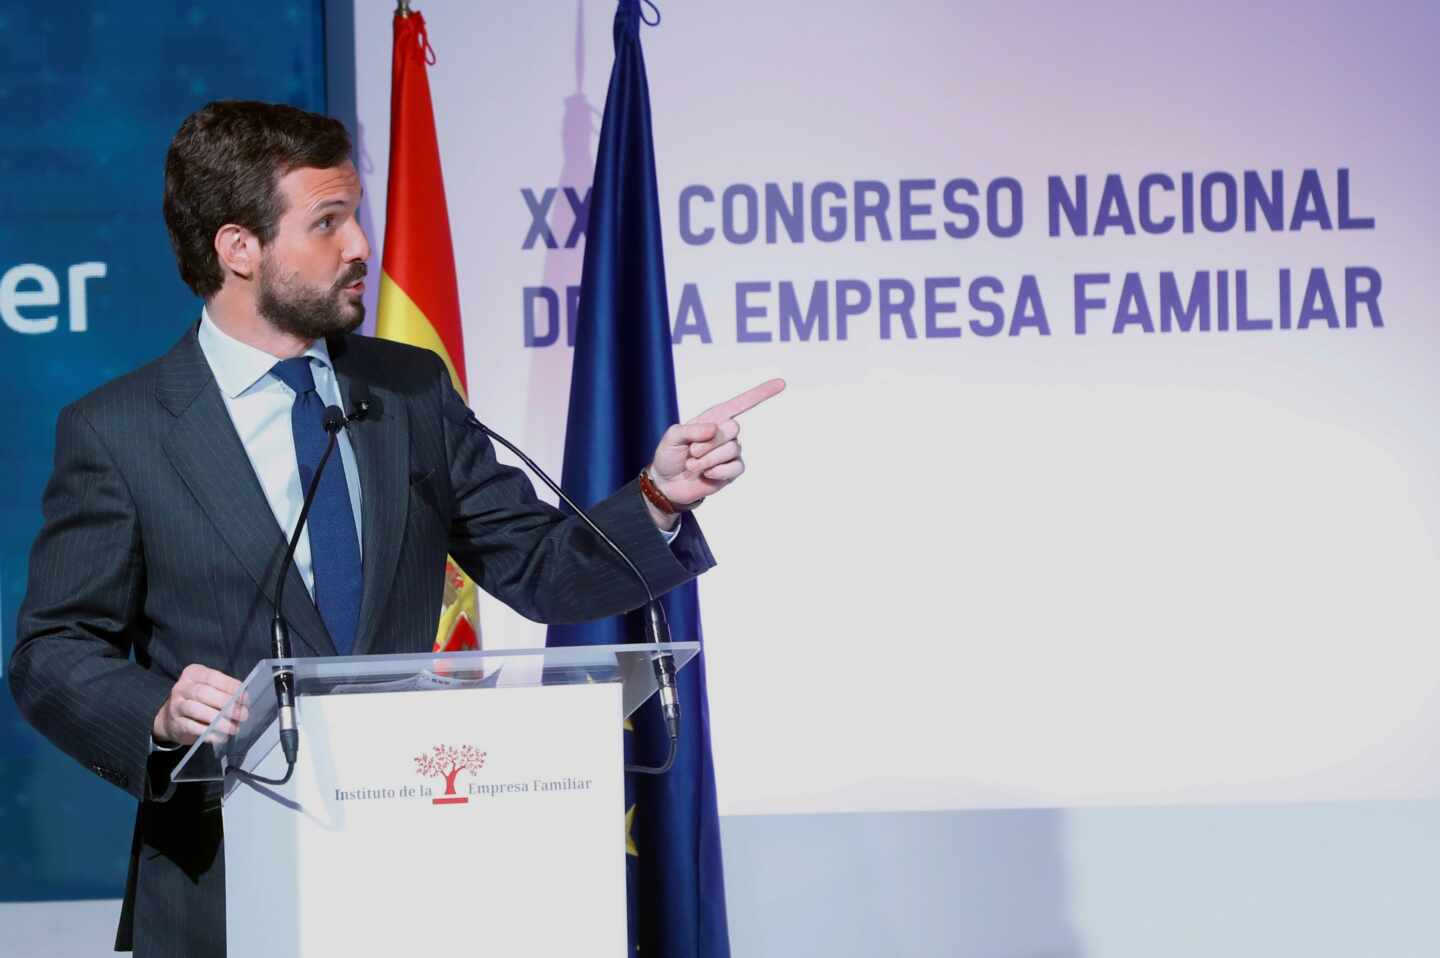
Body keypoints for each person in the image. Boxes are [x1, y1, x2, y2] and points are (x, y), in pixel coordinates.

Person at [7, 100, 782, 957]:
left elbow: (540, 568)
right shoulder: (121, 430)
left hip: (417, 879)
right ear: (238, 248)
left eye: (358, 217)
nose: (360, 247)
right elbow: (53, 650)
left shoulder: (409, 390)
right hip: (220, 887)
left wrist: (660, 498)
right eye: (327, 222)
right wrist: (158, 710)